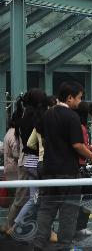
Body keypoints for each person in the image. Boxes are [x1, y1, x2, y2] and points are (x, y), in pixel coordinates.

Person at [33, 82, 92, 251]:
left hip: (48, 169)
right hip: (68, 171)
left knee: (46, 209)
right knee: (68, 212)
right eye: (79, 97)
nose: (79, 101)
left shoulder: (48, 114)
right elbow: (77, 145)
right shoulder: (72, 116)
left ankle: (38, 244)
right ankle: (64, 246)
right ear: (70, 97)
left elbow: (42, 135)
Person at [10, 90, 48, 235]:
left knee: (33, 198)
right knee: (36, 199)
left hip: (27, 161)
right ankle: (16, 226)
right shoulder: (37, 118)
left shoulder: (24, 117)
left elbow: (27, 144)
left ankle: (23, 227)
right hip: (38, 162)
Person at [75, 102, 92, 237]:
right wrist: (91, 151)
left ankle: (76, 226)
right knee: (89, 195)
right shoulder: (81, 127)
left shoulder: (74, 125)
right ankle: (80, 225)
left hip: (75, 165)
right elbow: (80, 146)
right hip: (80, 165)